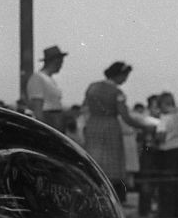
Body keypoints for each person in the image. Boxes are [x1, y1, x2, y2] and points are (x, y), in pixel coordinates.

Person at [81, 62, 156, 200]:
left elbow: (84, 107)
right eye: (125, 76)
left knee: (95, 159)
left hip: (93, 125)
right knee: (111, 163)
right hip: (110, 127)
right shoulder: (117, 93)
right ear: (119, 75)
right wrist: (143, 126)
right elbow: (126, 117)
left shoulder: (92, 87)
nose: (125, 79)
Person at [26, 45, 71, 133]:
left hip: (56, 120)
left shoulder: (50, 80)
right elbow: (37, 108)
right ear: (55, 61)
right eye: (60, 62)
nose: (61, 65)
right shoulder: (38, 78)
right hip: (48, 119)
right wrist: (44, 129)